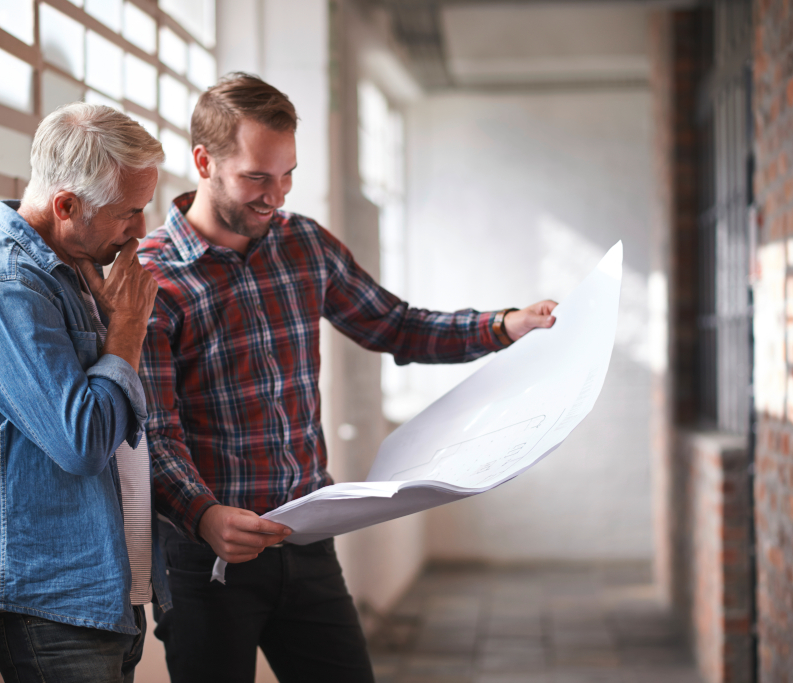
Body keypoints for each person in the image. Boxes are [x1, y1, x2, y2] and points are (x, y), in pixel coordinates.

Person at [137, 73, 558, 682]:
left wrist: (504, 325)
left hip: (307, 543)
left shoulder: (303, 243)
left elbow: (396, 325)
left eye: (287, 176)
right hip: (207, 560)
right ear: (204, 161)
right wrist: (203, 515)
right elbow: (153, 429)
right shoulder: (152, 278)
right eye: (257, 176)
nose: (275, 196)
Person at [0, 103, 172, 683]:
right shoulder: (2, 285)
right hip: (54, 602)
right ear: (66, 205)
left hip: (106, 594)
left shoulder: (74, 270)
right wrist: (127, 331)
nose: (141, 230)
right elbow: (84, 441)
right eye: (129, 213)